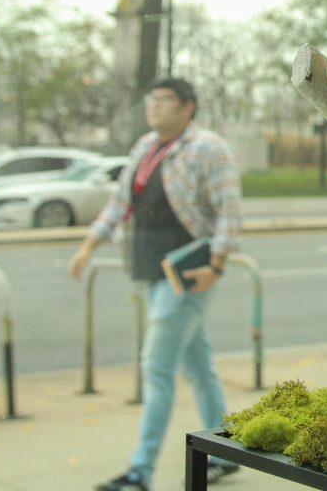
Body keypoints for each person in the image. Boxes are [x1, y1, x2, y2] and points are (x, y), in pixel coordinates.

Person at [68, 78, 242, 491]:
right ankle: (224, 451)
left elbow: (228, 212)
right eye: (152, 100)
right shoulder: (146, 146)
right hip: (151, 270)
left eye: (163, 100)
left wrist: (215, 267)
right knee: (198, 366)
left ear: (187, 107)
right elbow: (119, 203)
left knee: (157, 368)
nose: (154, 107)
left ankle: (139, 472)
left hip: (187, 274)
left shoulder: (208, 148)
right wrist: (87, 245)